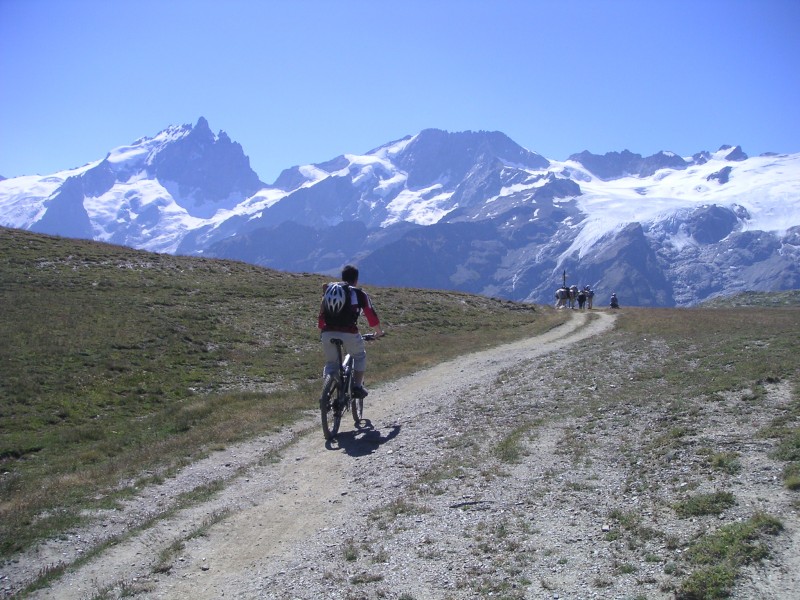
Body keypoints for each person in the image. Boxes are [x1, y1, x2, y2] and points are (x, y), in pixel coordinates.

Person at [318, 265, 384, 399]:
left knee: (331, 363)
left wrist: (322, 329)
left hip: (327, 333)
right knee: (360, 356)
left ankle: (327, 390)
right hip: (349, 333)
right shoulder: (359, 294)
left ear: (342, 278)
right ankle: (357, 387)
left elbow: (322, 314)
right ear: (356, 279)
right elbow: (371, 315)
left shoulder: (330, 291)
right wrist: (378, 332)